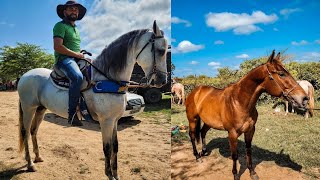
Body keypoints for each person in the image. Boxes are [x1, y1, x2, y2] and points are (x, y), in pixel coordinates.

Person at [53, 1, 87, 126]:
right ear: (65, 12)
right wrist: (77, 55)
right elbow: (58, 47)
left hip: (76, 58)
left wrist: (81, 54)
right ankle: (72, 115)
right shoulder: (60, 26)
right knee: (77, 77)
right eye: (71, 9)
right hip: (64, 59)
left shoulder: (76, 29)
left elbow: (75, 48)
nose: (74, 11)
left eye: (76, 10)